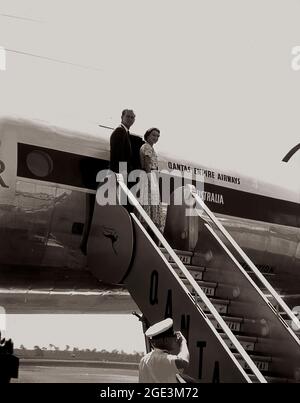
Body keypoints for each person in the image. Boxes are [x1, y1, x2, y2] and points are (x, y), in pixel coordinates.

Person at [139, 318, 190, 383]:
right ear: (166, 340)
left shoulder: (144, 360)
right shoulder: (161, 358)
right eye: (174, 336)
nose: (176, 339)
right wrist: (183, 342)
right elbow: (184, 362)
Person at [139, 128, 164, 233]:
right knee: (149, 203)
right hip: (149, 176)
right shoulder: (147, 147)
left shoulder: (148, 147)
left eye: (158, 136)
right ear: (148, 135)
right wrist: (151, 181)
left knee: (149, 204)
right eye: (153, 135)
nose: (156, 138)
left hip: (149, 176)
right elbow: (147, 164)